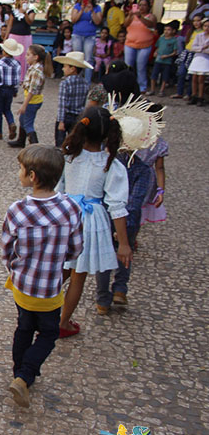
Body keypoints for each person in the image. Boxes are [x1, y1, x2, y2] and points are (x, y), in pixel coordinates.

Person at [1, 145, 83, 408]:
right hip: (50, 289)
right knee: (48, 334)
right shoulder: (71, 208)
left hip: (23, 287)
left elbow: (7, 249)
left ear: (33, 176)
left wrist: (15, 269)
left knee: (23, 327)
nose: (19, 172)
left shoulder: (17, 210)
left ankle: (19, 373)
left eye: (21, 168)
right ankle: (26, 375)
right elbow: (76, 248)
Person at [56, 106, 131, 339]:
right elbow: (117, 207)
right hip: (91, 221)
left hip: (66, 215)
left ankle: (40, 313)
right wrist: (124, 244)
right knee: (78, 275)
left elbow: (58, 190)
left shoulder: (68, 157)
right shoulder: (110, 164)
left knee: (61, 271)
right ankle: (63, 322)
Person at [96, 98, 166, 314]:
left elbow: (101, 194)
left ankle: (102, 299)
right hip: (130, 220)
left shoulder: (106, 163)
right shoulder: (144, 170)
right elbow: (135, 203)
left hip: (106, 218)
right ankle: (120, 289)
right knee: (125, 254)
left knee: (104, 258)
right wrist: (124, 230)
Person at [9, 45, 46, 147]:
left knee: (28, 123)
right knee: (22, 120)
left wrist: (24, 105)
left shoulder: (36, 71)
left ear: (36, 57)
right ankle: (21, 141)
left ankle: (35, 146)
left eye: (28, 54)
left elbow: (32, 90)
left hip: (33, 101)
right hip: (31, 100)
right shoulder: (33, 68)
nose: (26, 56)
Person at [53, 52, 92, 147]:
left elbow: (62, 104)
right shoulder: (85, 83)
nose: (63, 69)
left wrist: (61, 121)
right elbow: (83, 102)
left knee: (60, 143)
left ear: (72, 68)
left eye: (65, 66)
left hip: (65, 116)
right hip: (78, 116)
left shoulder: (65, 83)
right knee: (74, 142)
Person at [123, 0, 158, 93]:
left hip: (145, 46)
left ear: (148, 7)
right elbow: (125, 24)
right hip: (130, 44)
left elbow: (151, 24)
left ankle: (142, 86)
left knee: (141, 66)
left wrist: (140, 17)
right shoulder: (132, 15)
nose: (142, 7)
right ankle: (127, 85)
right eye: (140, 5)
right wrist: (130, 15)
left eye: (144, 5)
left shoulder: (151, 16)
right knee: (128, 66)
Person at [69, 0, 104, 82]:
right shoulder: (77, 6)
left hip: (90, 35)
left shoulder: (97, 8)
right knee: (77, 58)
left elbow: (98, 21)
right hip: (77, 34)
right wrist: (82, 9)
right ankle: (77, 79)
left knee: (88, 58)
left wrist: (92, 11)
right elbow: (73, 19)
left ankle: (87, 81)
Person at [0, 39, 23, 140]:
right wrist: (15, 90)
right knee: (7, 109)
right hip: (10, 89)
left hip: (1, 89)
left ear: (4, 51)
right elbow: (17, 79)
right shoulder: (17, 64)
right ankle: (11, 122)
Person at [6, 0, 35, 76]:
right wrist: (6, 37)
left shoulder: (31, 11)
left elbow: (30, 22)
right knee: (14, 55)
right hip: (14, 35)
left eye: (26, 0)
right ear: (19, 1)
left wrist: (25, 13)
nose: (24, 1)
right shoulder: (14, 12)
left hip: (25, 36)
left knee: (24, 56)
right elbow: (9, 25)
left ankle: (22, 75)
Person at [174, 14, 202, 99]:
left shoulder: (203, 32)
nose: (196, 23)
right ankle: (179, 92)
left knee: (191, 75)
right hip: (187, 52)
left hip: (196, 54)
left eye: (198, 21)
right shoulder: (191, 31)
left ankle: (189, 94)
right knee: (181, 72)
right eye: (194, 21)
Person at [150, 21, 179, 96]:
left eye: (168, 30)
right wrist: (155, 52)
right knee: (154, 75)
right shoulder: (161, 39)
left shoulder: (174, 40)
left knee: (165, 76)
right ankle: (152, 90)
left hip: (167, 61)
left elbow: (175, 52)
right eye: (165, 30)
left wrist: (167, 56)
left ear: (173, 31)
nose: (166, 31)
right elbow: (158, 47)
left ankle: (161, 91)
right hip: (158, 60)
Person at [186, 17, 209, 106]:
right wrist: (202, 48)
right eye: (205, 26)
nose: (207, 28)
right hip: (197, 57)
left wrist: (202, 49)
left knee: (201, 78)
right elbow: (193, 47)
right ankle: (193, 95)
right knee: (194, 78)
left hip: (206, 58)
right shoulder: (199, 35)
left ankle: (200, 96)